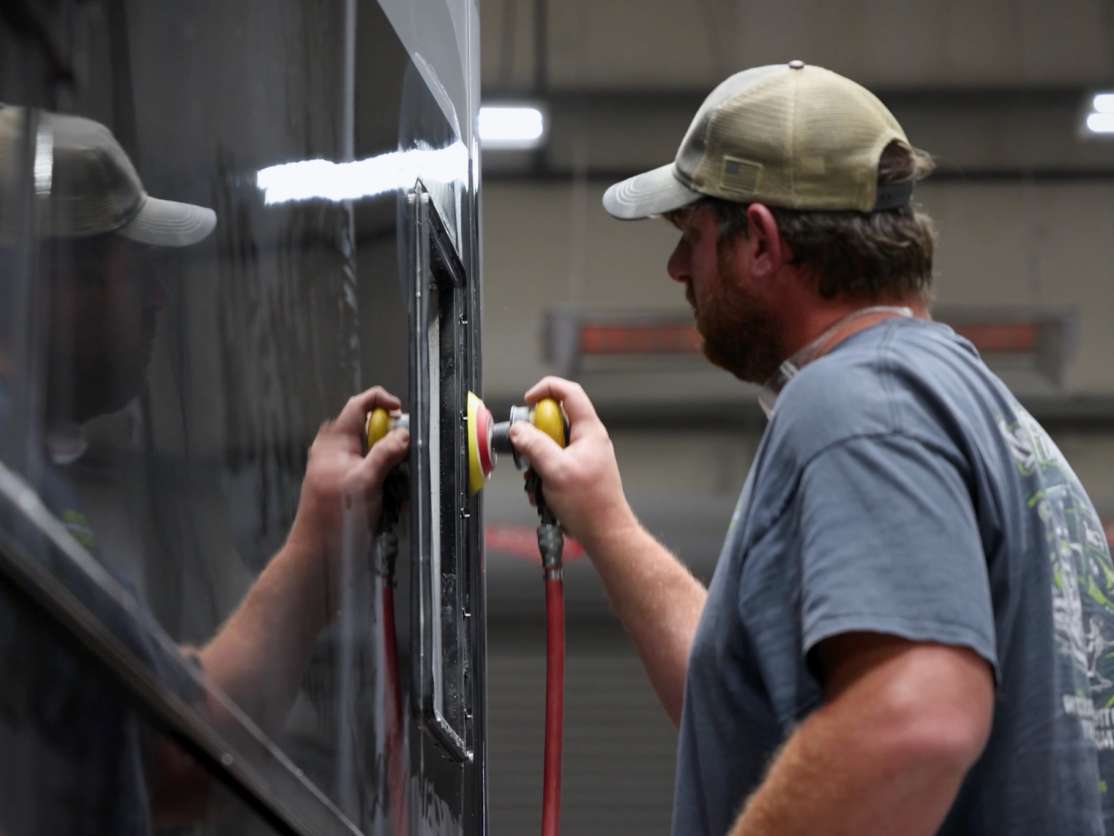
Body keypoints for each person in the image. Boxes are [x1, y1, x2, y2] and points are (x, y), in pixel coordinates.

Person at [508, 62, 1114, 835]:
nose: (676, 269)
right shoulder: (988, 420)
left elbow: (915, 720)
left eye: (691, 237)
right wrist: (607, 522)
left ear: (759, 242)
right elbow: (744, 702)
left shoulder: (861, 403)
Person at [0, 104, 409, 833]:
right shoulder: (15, 500)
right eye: (138, 270)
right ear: (58, 279)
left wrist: (321, 533)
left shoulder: (30, 483)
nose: (160, 297)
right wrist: (319, 547)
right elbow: (178, 754)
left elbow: (170, 715)